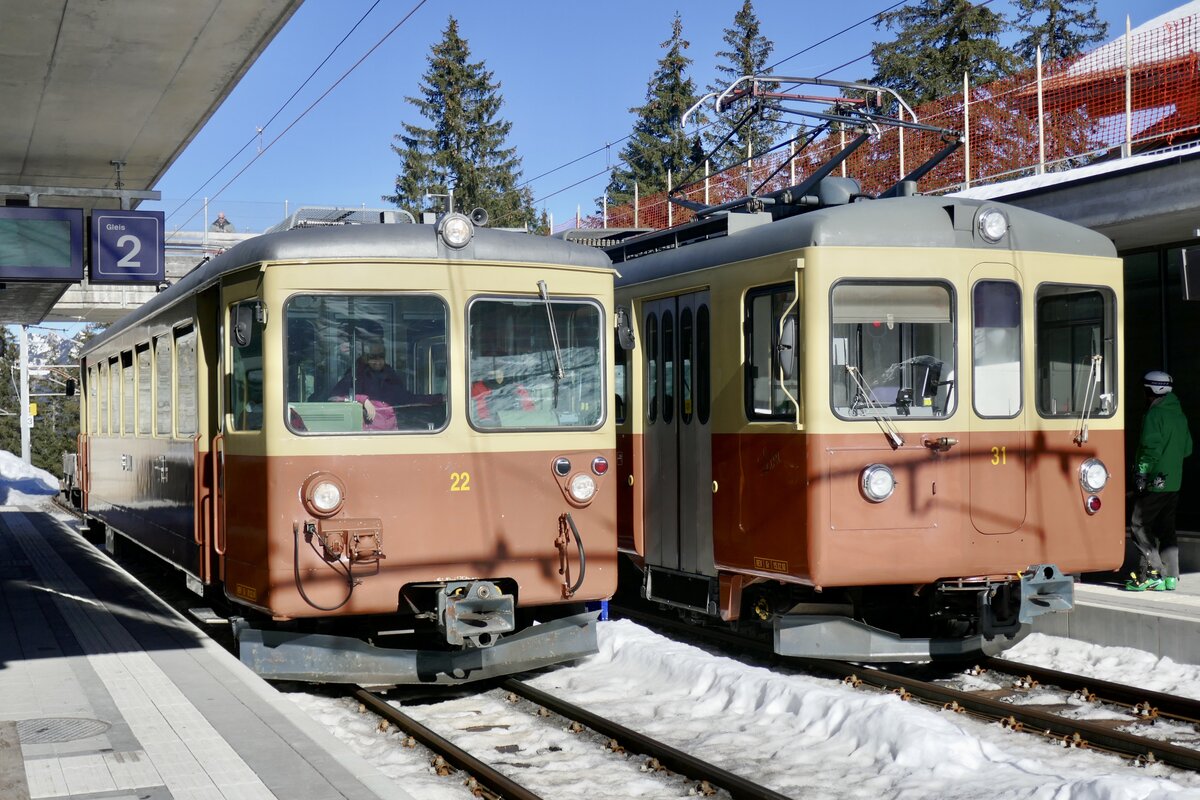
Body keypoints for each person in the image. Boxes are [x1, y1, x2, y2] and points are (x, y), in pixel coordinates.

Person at [1126, 370, 1193, 591]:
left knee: (1139, 524)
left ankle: (1151, 574)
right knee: (1166, 528)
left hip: (1155, 481)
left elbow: (1150, 449)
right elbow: (1187, 449)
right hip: (1174, 482)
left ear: (1153, 390)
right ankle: (1170, 577)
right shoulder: (1179, 414)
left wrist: (1141, 473)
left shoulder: (1155, 415)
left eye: (1145, 389)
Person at [330, 343, 442, 430]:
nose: (378, 361)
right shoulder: (355, 376)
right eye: (373, 357)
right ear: (365, 358)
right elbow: (334, 399)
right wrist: (363, 400)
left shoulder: (390, 375)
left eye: (381, 357)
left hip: (391, 433)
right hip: (367, 435)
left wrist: (440, 398)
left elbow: (407, 399)